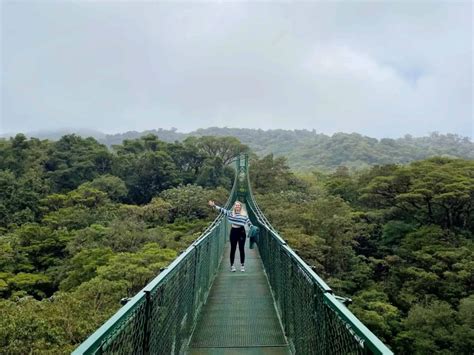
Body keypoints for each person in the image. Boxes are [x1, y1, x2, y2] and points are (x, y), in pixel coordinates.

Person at [208, 200, 252, 272]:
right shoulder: (231, 213)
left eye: (239, 205)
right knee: (233, 249)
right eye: (236, 205)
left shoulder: (244, 214)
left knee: (241, 249)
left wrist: (252, 226)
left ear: (241, 206)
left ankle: (242, 265)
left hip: (242, 232)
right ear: (234, 206)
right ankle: (232, 266)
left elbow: (248, 222)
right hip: (234, 231)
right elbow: (222, 210)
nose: (237, 206)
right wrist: (214, 206)